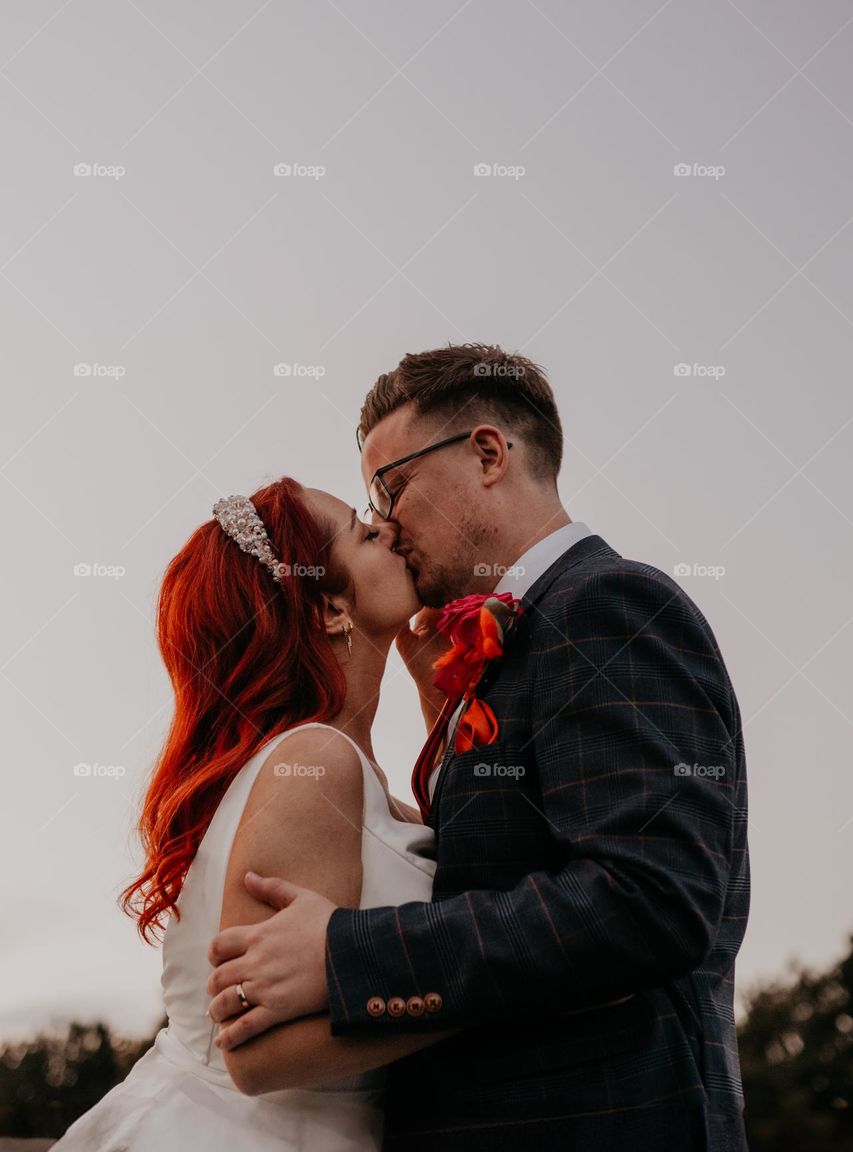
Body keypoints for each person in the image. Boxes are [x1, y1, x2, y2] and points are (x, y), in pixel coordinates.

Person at [207, 343, 751, 1151]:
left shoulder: (606, 604)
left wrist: (347, 954)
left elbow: (649, 900)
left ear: (488, 453)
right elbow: (519, 872)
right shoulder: (515, 648)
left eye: (390, 488)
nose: (385, 522)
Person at [53, 477, 457, 1151]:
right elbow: (260, 1050)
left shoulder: (343, 774)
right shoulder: (312, 763)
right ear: (329, 608)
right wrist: (515, 986)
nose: (387, 529)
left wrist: (439, 698)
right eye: (362, 531)